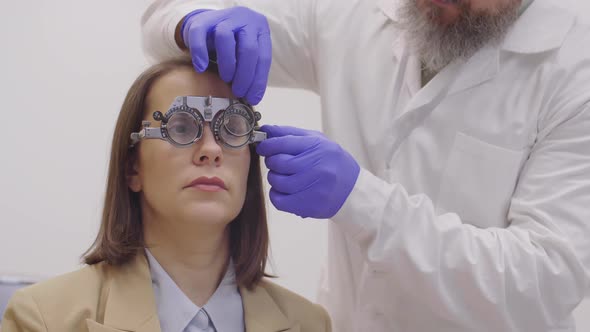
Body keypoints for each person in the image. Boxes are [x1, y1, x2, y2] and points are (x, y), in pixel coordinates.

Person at [141, 0, 590, 331]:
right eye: (181, 129)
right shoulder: (354, 12)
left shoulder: (573, 71)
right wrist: (194, 22)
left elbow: (546, 279)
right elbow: (162, 18)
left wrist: (362, 202)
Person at [1, 57, 331, 332]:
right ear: (133, 169)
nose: (211, 150)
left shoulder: (311, 323)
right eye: (182, 128)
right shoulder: (44, 318)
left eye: (232, 128)